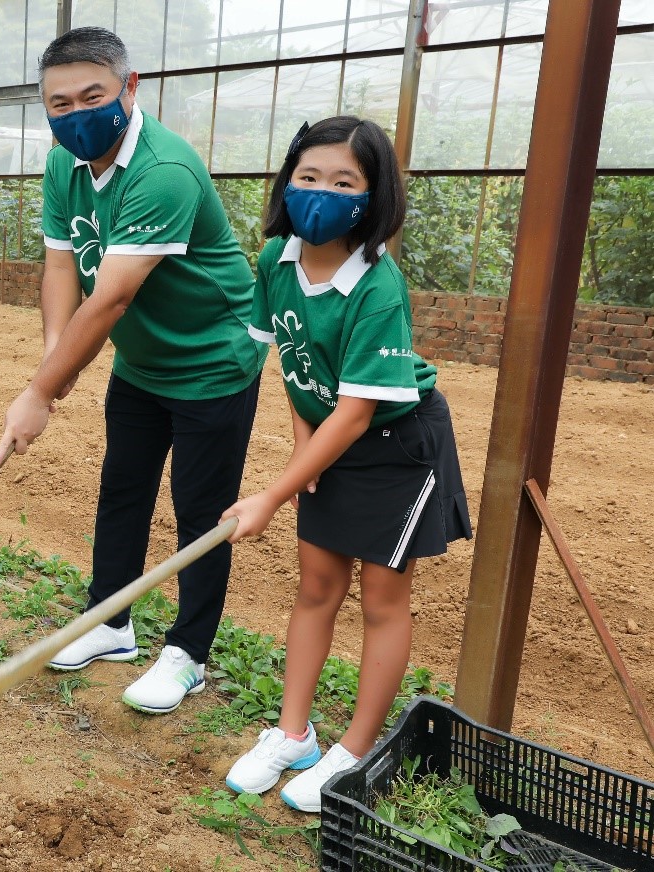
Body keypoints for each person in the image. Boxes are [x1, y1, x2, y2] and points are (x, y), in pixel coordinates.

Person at [0, 27, 266, 715]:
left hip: (211, 358)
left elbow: (110, 295)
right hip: (143, 362)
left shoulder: (161, 171)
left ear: (130, 87)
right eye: (59, 103)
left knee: (201, 513)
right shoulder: (65, 164)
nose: (76, 113)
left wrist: (41, 390)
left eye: (93, 96)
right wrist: (58, 362)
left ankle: (188, 654)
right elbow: (62, 263)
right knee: (123, 491)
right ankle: (108, 622)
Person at [221, 117, 472, 813]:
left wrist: (274, 491)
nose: (321, 192)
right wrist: (303, 459)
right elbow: (295, 367)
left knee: (383, 599)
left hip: (396, 448)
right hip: (329, 439)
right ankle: (294, 735)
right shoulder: (274, 259)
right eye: (308, 176)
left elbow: (359, 412)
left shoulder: (377, 287)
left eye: (344, 182)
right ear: (286, 181)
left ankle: (355, 751)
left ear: (373, 196)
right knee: (316, 587)